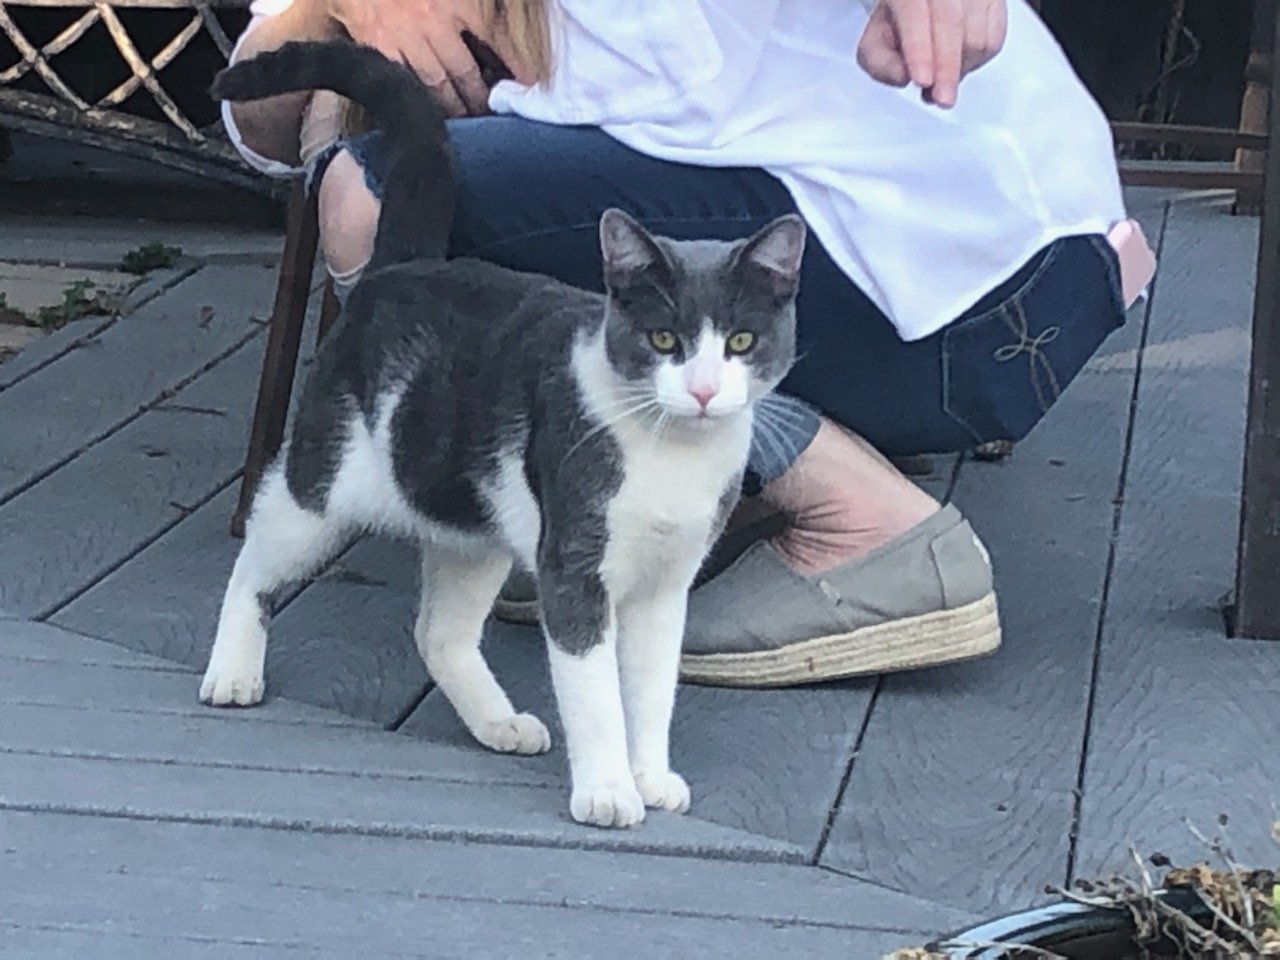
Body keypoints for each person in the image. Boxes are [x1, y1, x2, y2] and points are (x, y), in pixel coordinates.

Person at [221, 0, 1156, 687]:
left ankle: (865, 520)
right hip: (962, 274)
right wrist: (333, 8)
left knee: (376, 195)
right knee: (380, 170)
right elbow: (260, 117)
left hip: (985, 298)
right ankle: (601, 500)